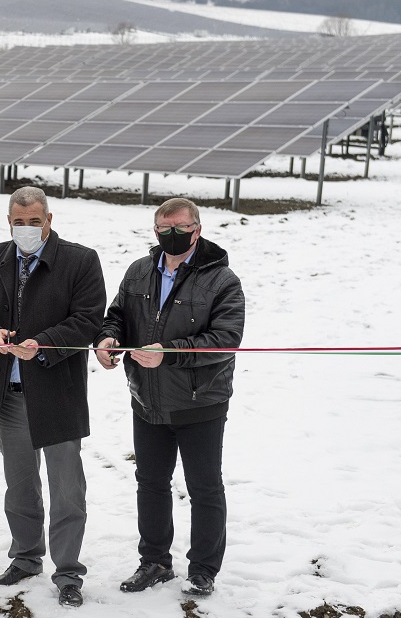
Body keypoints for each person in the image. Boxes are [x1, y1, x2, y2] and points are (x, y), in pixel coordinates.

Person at [0, 186, 106, 608]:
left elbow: (88, 318)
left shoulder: (80, 260)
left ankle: (68, 572)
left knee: (66, 487)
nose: (26, 228)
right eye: (18, 222)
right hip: (8, 391)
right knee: (19, 484)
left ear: (49, 220)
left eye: (34, 221)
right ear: (9, 221)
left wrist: (43, 343)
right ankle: (25, 557)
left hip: (57, 392)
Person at [94, 197, 244, 597]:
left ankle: (204, 569)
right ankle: (155, 561)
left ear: (197, 229)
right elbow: (117, 315)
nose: (171, 236)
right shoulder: (139, 271)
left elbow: (225, 340)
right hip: (147, 400)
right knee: (151, 483)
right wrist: (109, 338)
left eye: (180, 229)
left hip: (200, 401)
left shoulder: (221, 280)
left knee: (205, 487)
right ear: (155, 230)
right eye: (164, 230)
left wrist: (169, 351)